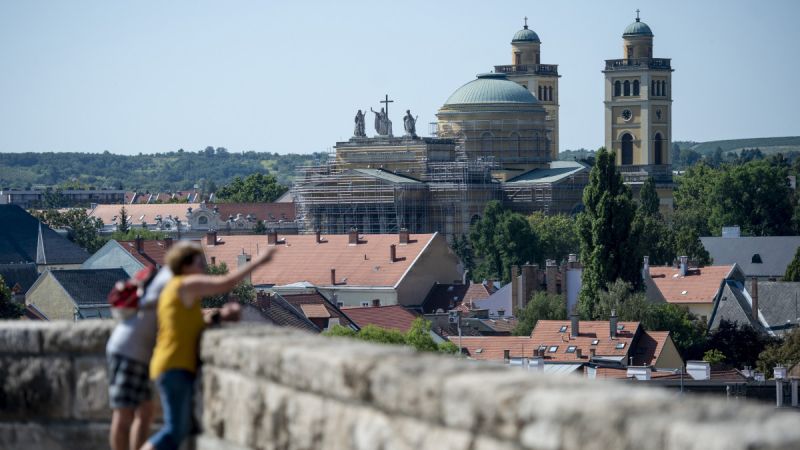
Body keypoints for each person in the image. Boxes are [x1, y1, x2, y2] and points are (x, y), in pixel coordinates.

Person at [141, 242, 272, 450]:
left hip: (172, 365)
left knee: (181, 429)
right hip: (174, 365)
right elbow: (225, 283)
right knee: (175, 430)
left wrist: (221, 316)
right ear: (184, 265)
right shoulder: (185, 285)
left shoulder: (176, 291)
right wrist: (259, 261)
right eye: (198, 261)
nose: (202, 265)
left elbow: (192, 326)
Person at [106, 266, 172, 450]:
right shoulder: (168, 280)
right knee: (123, 414)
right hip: (127, 351)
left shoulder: (163, 278)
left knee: (145, 411)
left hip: (136, 353)